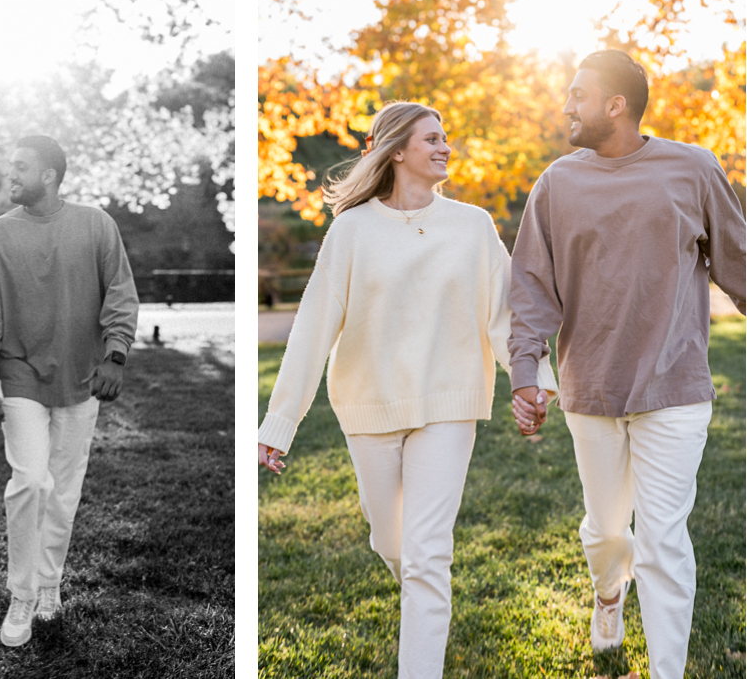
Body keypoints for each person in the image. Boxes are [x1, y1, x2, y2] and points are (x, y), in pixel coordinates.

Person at [257, 102, 558, 679]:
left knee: (427, 555)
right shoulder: (352, 230)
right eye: (431, 139)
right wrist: (280, 424)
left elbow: (505, 316)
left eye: (446, 138)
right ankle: (418, 585)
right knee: (390, 542)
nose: (446, 148)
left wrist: (533, 380)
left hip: (449, 404)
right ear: (396, 151)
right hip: (369, 406)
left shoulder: (472, 226)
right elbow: (314, 328)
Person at [508, 49, 746, 677]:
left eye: (578, 95)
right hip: (591, 388)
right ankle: (609, 590)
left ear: (617, 105)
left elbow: (738, 262)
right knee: (607, 530)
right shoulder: (557, 182)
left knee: (665, 536)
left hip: (676, 386)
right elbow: (532, 285)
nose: (566, 106)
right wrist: (525, 373)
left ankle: (668, 668)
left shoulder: (692, 169)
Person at [0, 135, 139, 647]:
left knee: (63, 492)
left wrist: (115, 354)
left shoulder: (95, 224)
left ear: (49, 174)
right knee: (30, 482)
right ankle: (21, 593)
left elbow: (120, 291)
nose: (10, 176)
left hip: (83, 377)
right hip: (19, 374)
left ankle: (49, 585)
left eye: (20, 167)